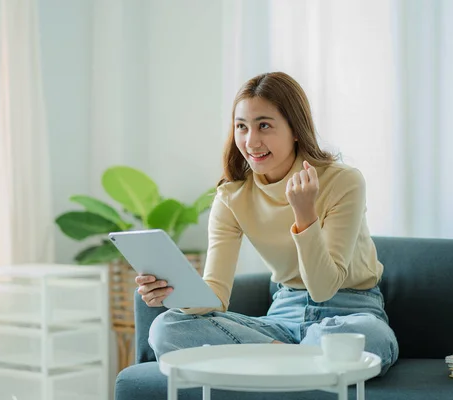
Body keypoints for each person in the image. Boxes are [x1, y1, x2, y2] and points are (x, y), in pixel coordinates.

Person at [135, 72, 399, 375]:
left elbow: (324, 288)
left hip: (351, 312)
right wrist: (176, 295)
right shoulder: (231, 197)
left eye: (264, 125)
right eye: (241, 127)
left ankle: (274, 362)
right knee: (167, 328)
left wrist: (305, 215)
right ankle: (298, 362)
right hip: (280, 321)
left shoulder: (343, 181)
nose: (251, 141)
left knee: (371, 339)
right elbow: (216, 295)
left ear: (295, 129)